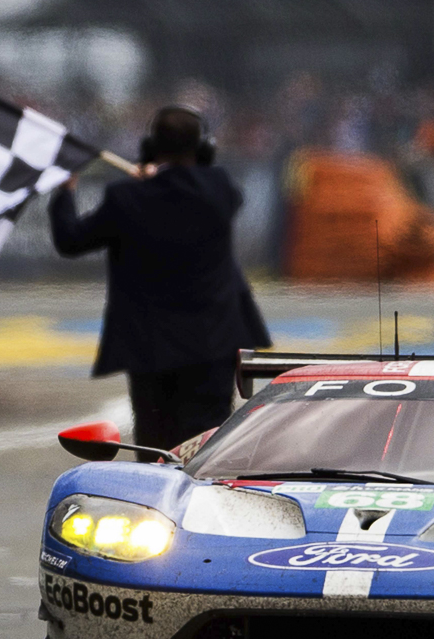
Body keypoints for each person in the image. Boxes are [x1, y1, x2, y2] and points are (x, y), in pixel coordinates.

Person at [49, 105, 270, 452]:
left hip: (150, 348)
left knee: (155, 444)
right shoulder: (220, 189)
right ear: (201, 148)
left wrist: (65, 191)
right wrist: (162, 178)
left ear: (152, 147)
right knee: (208, 445)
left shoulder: (125, 197)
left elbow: (71, 241)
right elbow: (197, 186)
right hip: (211, 344)